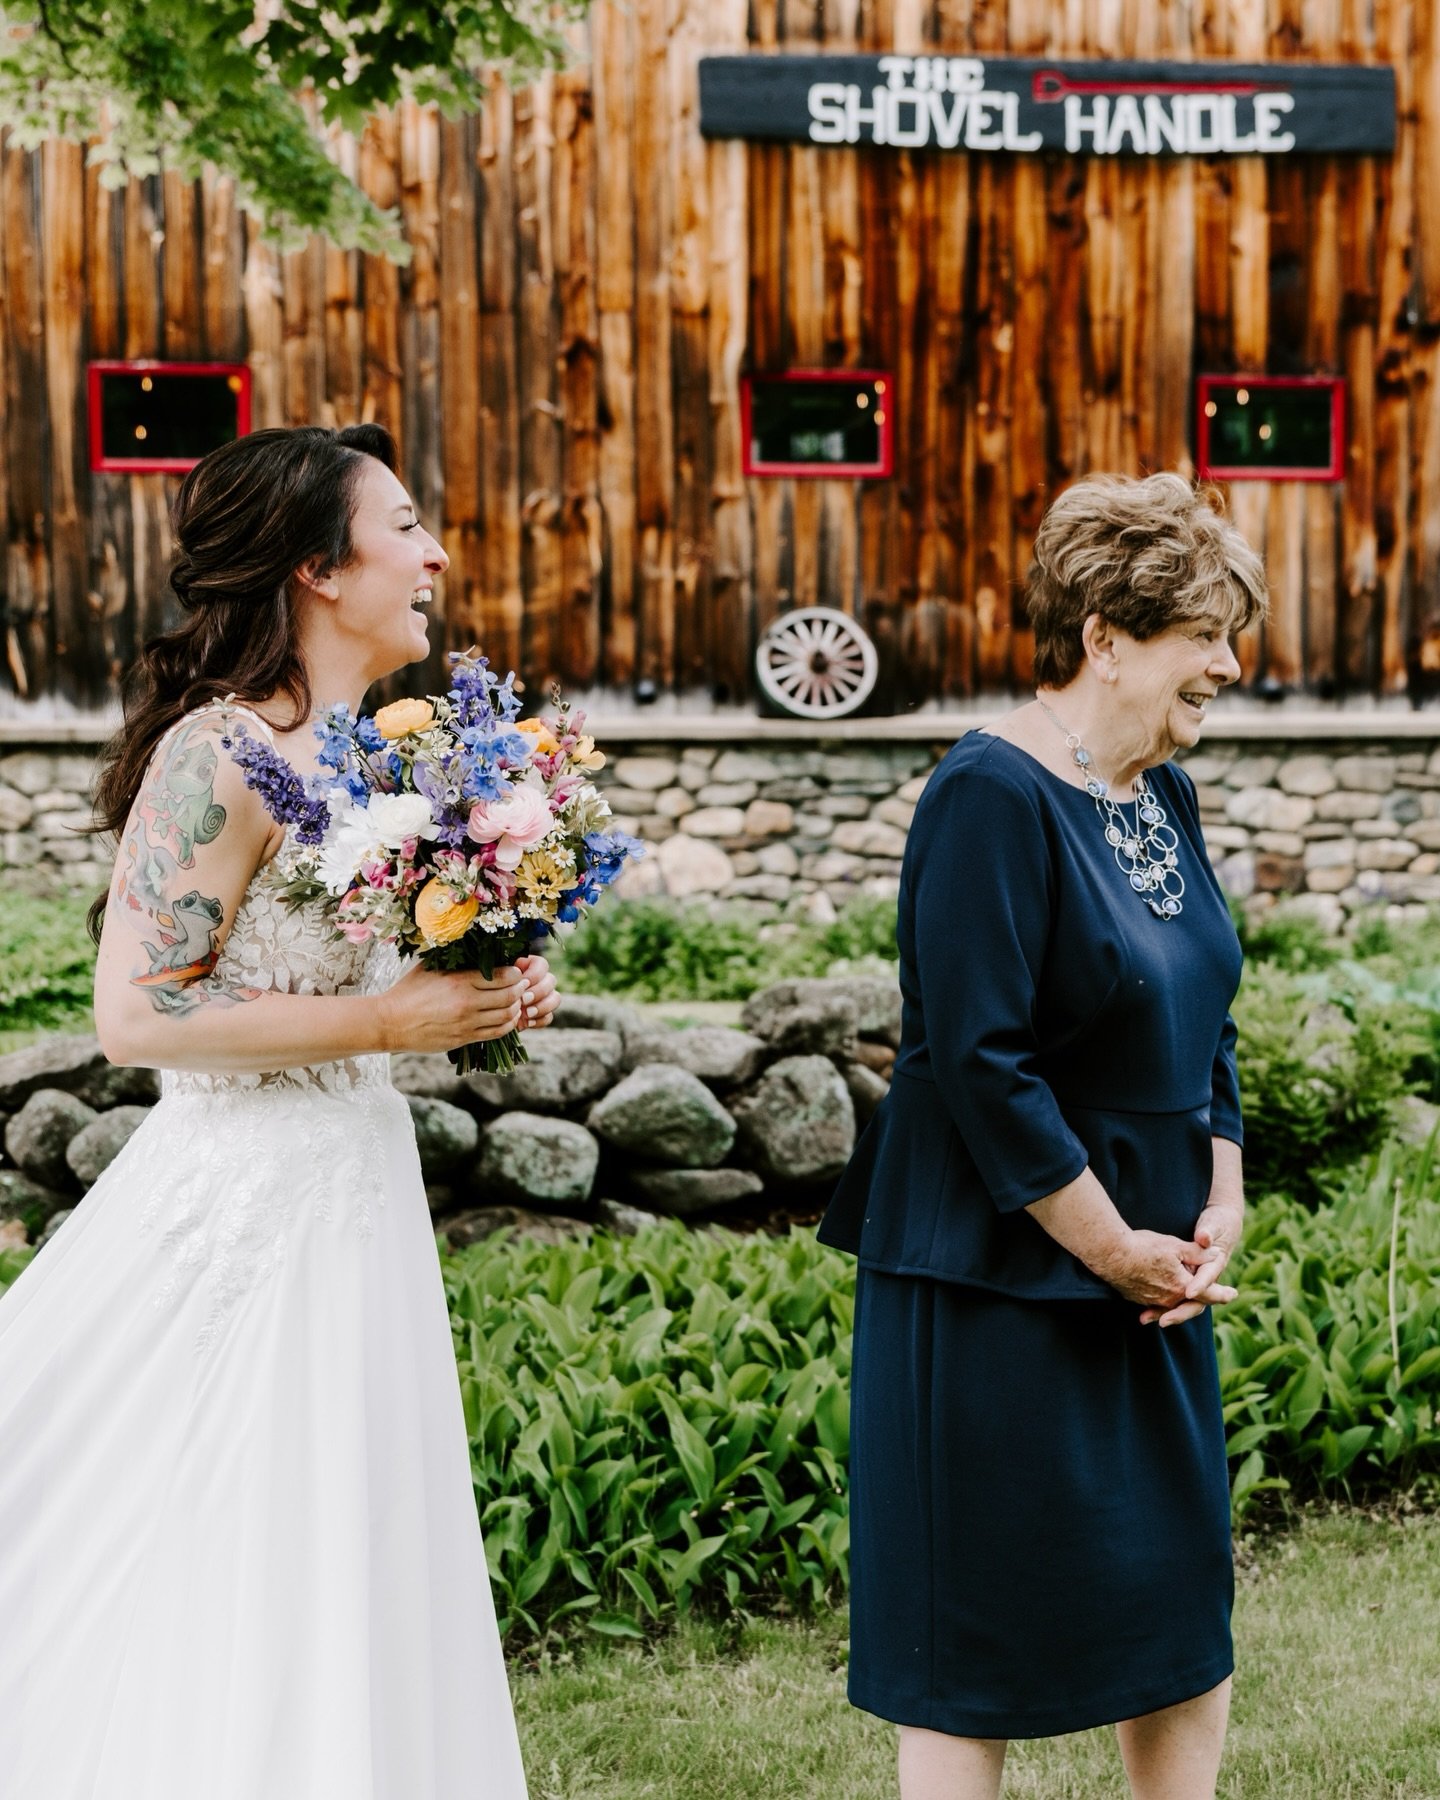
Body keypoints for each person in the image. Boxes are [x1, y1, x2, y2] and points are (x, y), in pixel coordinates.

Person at [0, 424, 556, 1798]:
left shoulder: (379, 759)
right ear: (317, 566)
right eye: (407, 527)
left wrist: (476, 980)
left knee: (350, 1538)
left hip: (353, 1188)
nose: (435, 555)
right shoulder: (222, 755)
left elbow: (354, 965)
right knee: (219, 1536)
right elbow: (136, 1015)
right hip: (240, 1214)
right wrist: (388, 1019)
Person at [819, 472, 1268, 1800]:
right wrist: (1106, 1245)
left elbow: (1207, 1010)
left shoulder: (1163, 794)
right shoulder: (987, 796)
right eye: (1207, 637)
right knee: (979, 1637)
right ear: (1107, 637)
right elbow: (980, 1061)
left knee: (1181, 1616)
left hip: (1156, 1275)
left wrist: (1219, 1191)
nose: (1230, 668)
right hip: (999, 1273)